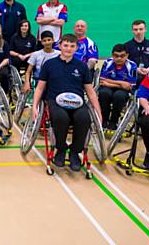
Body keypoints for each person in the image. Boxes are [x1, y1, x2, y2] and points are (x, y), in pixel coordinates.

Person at [32, 34, 103, 171]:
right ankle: (61, 149)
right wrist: (35, 107)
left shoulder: (82, 66)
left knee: (84, 118)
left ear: (76, 48)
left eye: (72, 46)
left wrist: (98, 111)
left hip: (77, 101)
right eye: (66, 45)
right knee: (60, 118)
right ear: (60, 46)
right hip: (55, 101)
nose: (68, 49)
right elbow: (40, 87)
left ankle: (75, 152)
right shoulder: (49, 64)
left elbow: (90, 91)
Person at [98, 44, 137, 130]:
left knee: (118, 96)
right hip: (109, 88)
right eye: (116, 56)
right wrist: (121, 83)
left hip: (122, 91)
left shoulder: (132, 66)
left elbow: (129, 86)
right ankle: (104, 120)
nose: (119, 58)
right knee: (104, 93)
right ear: (112, 55)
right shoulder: (107, 63)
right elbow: (102, 81)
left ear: (127, 55)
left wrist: (109, 82)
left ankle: (113, 121)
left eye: (122, 56)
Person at [125, 19, 149, 85]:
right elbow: (125, 62)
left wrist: (148, 70)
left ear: (145, 30)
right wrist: (136, 69)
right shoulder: (126, 46)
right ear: (132, 31)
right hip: (133, 72)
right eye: (135, 29)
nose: (138, 32)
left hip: (148, 71)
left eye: (141, 29)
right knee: (137, 77)